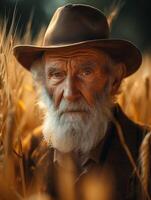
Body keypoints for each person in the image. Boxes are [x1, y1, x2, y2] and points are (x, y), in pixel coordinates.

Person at [13, 4, 150, 200]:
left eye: (86, 72)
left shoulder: (145, 150)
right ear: (42, 82)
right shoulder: (27, 152)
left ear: (115, 79)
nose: (69, 93)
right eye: (56, 74)